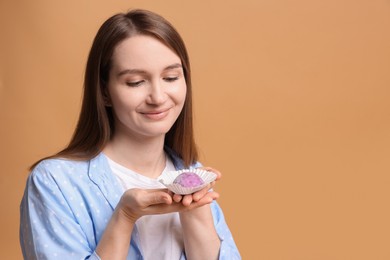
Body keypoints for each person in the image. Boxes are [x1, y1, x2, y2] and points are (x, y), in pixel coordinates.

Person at [19, 9, 240, 260]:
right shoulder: (55, 182)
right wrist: (124, 216)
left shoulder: (192, 173)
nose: (158, 97)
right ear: (104, 91)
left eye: (171, 77)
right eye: (135, 82)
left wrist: (195, 212)